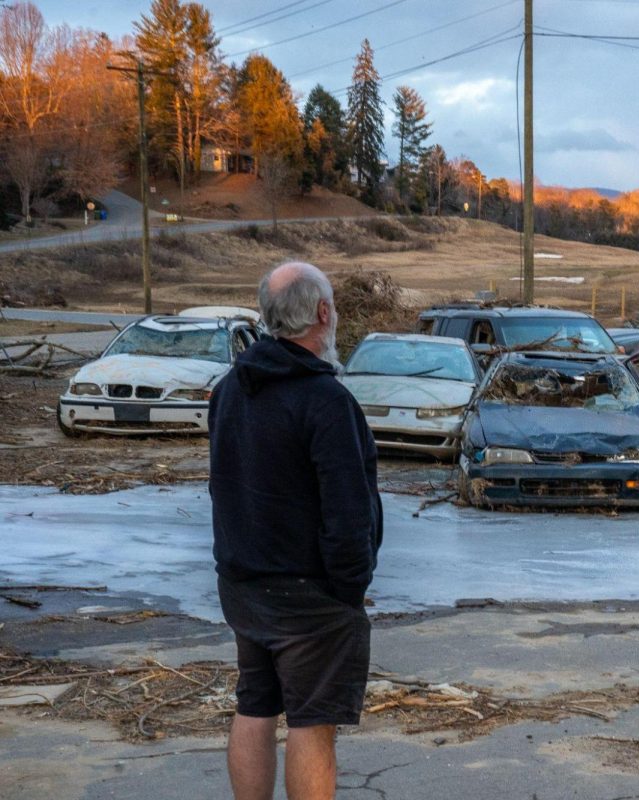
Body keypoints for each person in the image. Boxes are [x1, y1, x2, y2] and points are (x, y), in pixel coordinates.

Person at [209, 261, 383, 800]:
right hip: (309, 597)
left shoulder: (229, 390)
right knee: (311, 722)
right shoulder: (327, 401)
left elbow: (224, 486)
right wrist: (348, 589)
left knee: (255, 705)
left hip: (242, 584)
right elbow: (348, 513)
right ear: (324, 314)